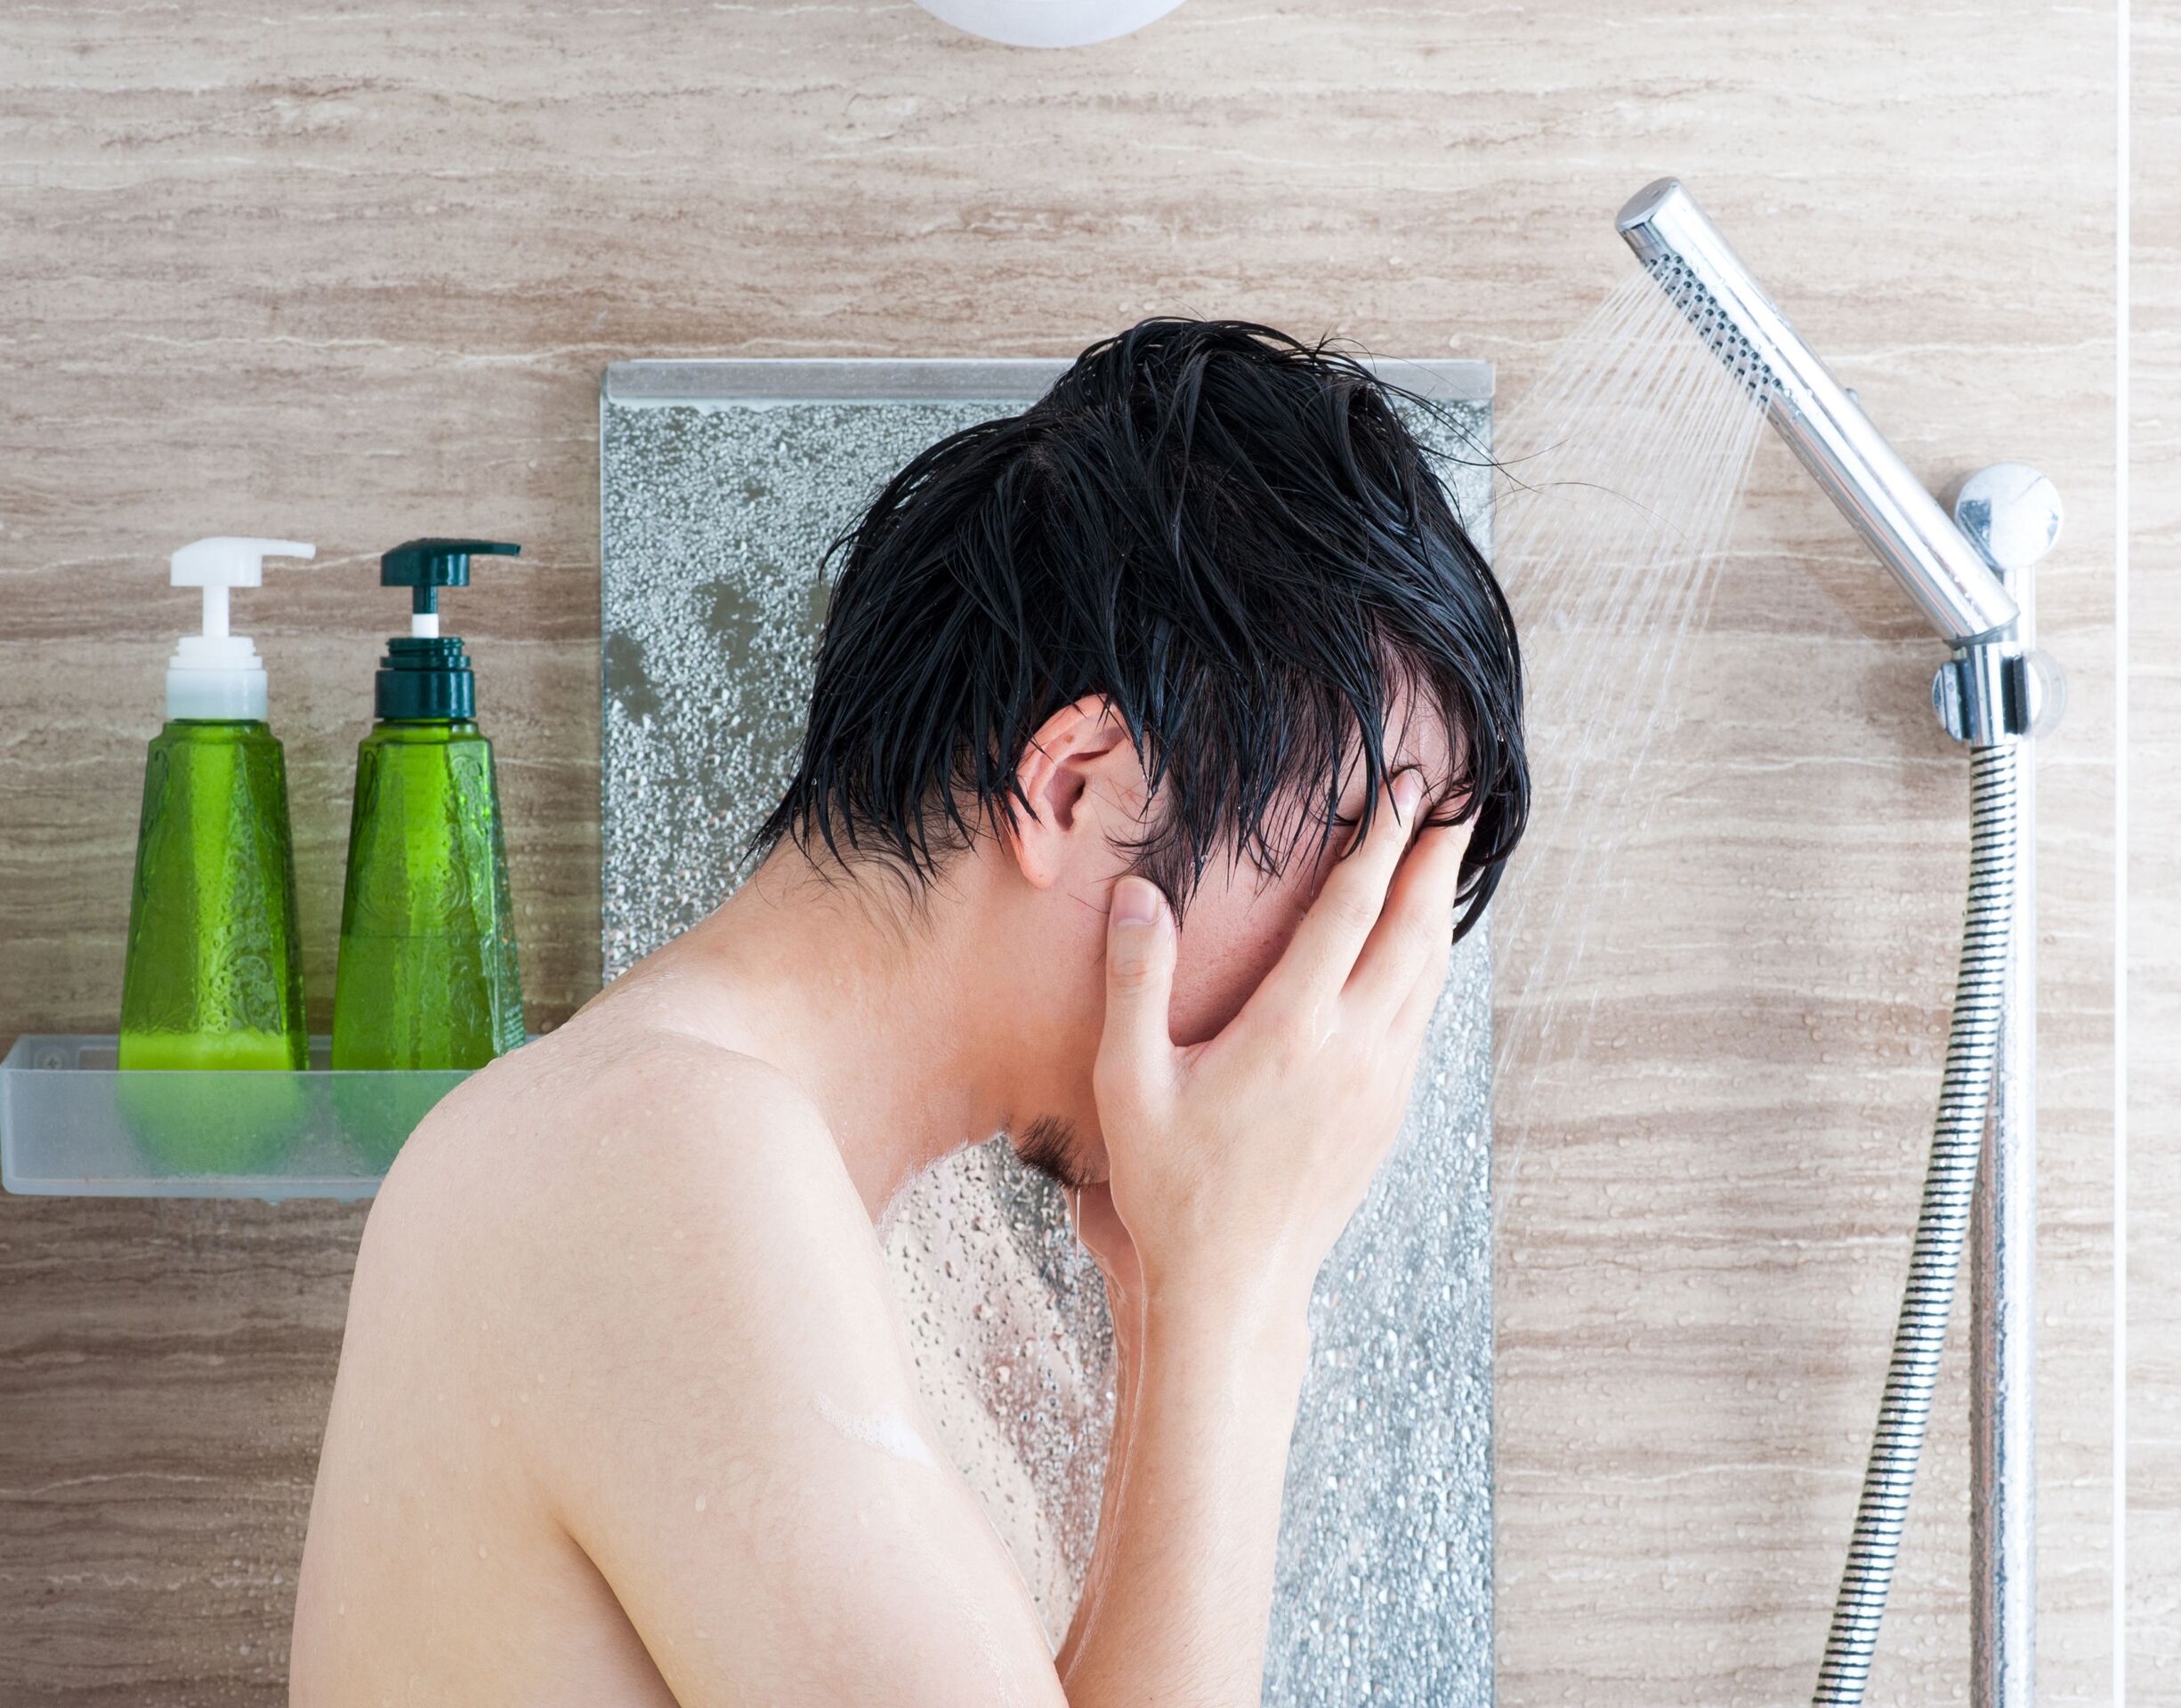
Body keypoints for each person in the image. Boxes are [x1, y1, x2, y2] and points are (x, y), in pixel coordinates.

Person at [289, 319, 1527, 1706]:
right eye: (1351, 867)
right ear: (1078, 787)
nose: (1353, 1002)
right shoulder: (662, 1161)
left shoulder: (793, 1187)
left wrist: (1190, 1305)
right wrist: (1239, 1297)